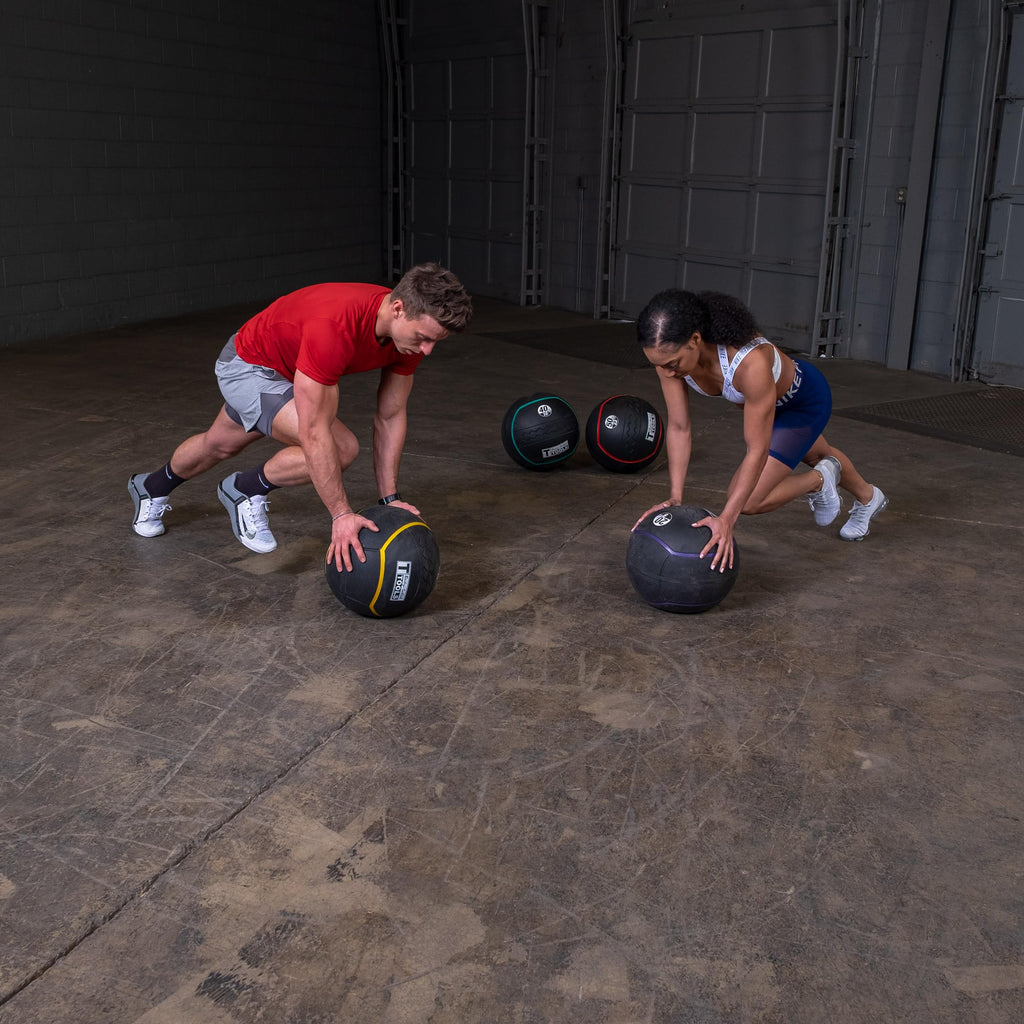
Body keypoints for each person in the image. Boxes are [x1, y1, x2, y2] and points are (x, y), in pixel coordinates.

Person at [128, 262, 472, 571]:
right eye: (424, 338)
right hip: (248, 367)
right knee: (340, 448)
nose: (427, 350)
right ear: (398, 309)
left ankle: (150, 487)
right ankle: (244, 490)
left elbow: (391, 415)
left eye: (435, 342)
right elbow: (314, 432)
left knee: (217, 445)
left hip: (290, 370)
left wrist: (390, 499)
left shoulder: (406, 338)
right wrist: (341, 514)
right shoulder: (335, 327)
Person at [634, 288, 888, 571]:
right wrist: (676, 497)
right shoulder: (668, 360)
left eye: (672, 364)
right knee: (817, 452)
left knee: (748, 500)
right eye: (658, 365)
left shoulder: (748, 363)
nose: (667, 372)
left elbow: (757, 449)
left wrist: (727, 519)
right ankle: (868, 497)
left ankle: (819, 480)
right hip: (769, 403)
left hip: (802, 403)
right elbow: (680, 427)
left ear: (695, 339)